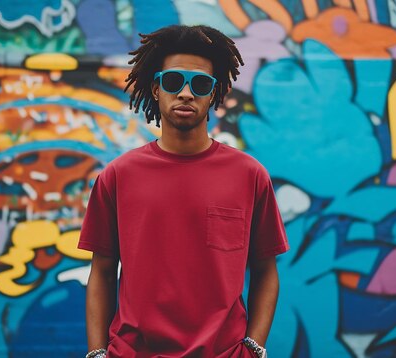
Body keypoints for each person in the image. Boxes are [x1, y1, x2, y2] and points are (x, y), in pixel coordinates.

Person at [78, 25, 289, 358]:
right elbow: (102, 272)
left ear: (215, 94)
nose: (186, 93)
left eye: (201, 84)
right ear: (156, 88)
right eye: (174, 81)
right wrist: (97, 353)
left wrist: (254, 348)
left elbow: (266, 270)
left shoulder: (249, 176)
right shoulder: (118, 177)